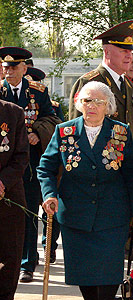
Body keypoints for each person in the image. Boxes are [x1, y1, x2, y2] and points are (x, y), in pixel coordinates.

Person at [38, 81, 133, 300]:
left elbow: (132, 175)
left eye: (98, 101)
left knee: (108, 278)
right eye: (87, 100)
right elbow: (45, 167)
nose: (92, 106)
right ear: (78, 102)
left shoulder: (120, 133)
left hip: (112, 217)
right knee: (84, 277)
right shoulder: (64, 131)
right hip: (76, 218)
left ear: (108, 106)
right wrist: (49, 194)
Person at [0, 46, 57, 283]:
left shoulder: (38, 92)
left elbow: (52, 118)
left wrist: (37, 132)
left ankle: (28, 263)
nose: (9, 71)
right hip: (5, 163)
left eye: (14, 67)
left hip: (30, 162)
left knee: (30, 212)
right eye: (5, 67)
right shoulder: (0, 91)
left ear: (25, 68)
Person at [68, 20, 133, 174]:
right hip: (97, 169)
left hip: (125, 168)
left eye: (130, 50)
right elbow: (76, 131)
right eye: (123, 50)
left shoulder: (129, 86)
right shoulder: (89, 82)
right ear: (107, 52)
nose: (129, 55)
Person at [25, 65, 63, 264]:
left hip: (46, 164)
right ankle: (29, 257)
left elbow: (59, 131)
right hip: (26, 165)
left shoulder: (53, 106)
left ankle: (49, 245)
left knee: (49, 207)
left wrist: (39, 133)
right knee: (30, 210)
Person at [0, 100, 29, 300]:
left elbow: (21, 155)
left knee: (10, 257)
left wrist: (2, 182)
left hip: (9, 196)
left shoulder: (13, 112)